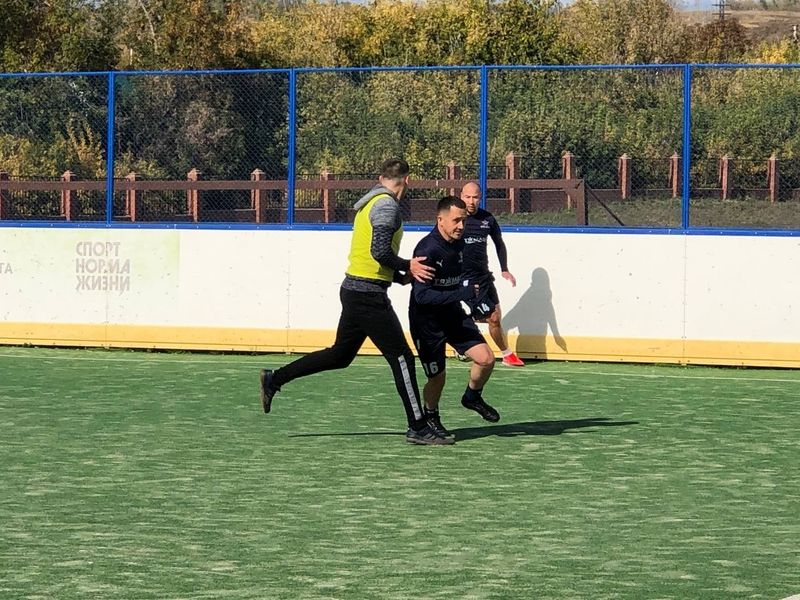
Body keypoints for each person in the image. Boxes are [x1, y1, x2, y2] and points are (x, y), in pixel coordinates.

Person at [259, 158, 453, 446]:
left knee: (340, 355)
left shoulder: (370, 202)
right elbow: (379, 252)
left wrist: (399, 277)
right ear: (407, 181)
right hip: (367, 296)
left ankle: (274, 379)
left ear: (381, 178)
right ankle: (418, 427)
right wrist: (407, 266)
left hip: (356, 290)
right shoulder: (386, 206)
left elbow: (370, 256)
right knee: (402, 358)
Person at [409, 195, 500, 441]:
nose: (461, 226)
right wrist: (462, 294)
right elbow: (422, 297)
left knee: (486, 359)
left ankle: (472, 396)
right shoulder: (427, 250)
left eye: (464, 221)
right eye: (456, 221)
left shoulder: (460, 244)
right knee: (437, 378)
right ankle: (431, 417)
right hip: (427, 323)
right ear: (440, 220)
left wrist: (476, 299)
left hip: (452, 315)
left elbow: (462, 281)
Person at [459, 181, 525, 367]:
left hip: (485, 277)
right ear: (461, 196)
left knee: (495, 316)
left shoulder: (487, 219)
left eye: (475, 197)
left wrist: (504, 269)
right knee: (492, 317)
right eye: (467, 197)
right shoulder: (456, 219)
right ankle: (506, 354)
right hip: (466, 279)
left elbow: (499, 243)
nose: (471, 201)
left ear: (480, 198)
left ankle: (461, 337)